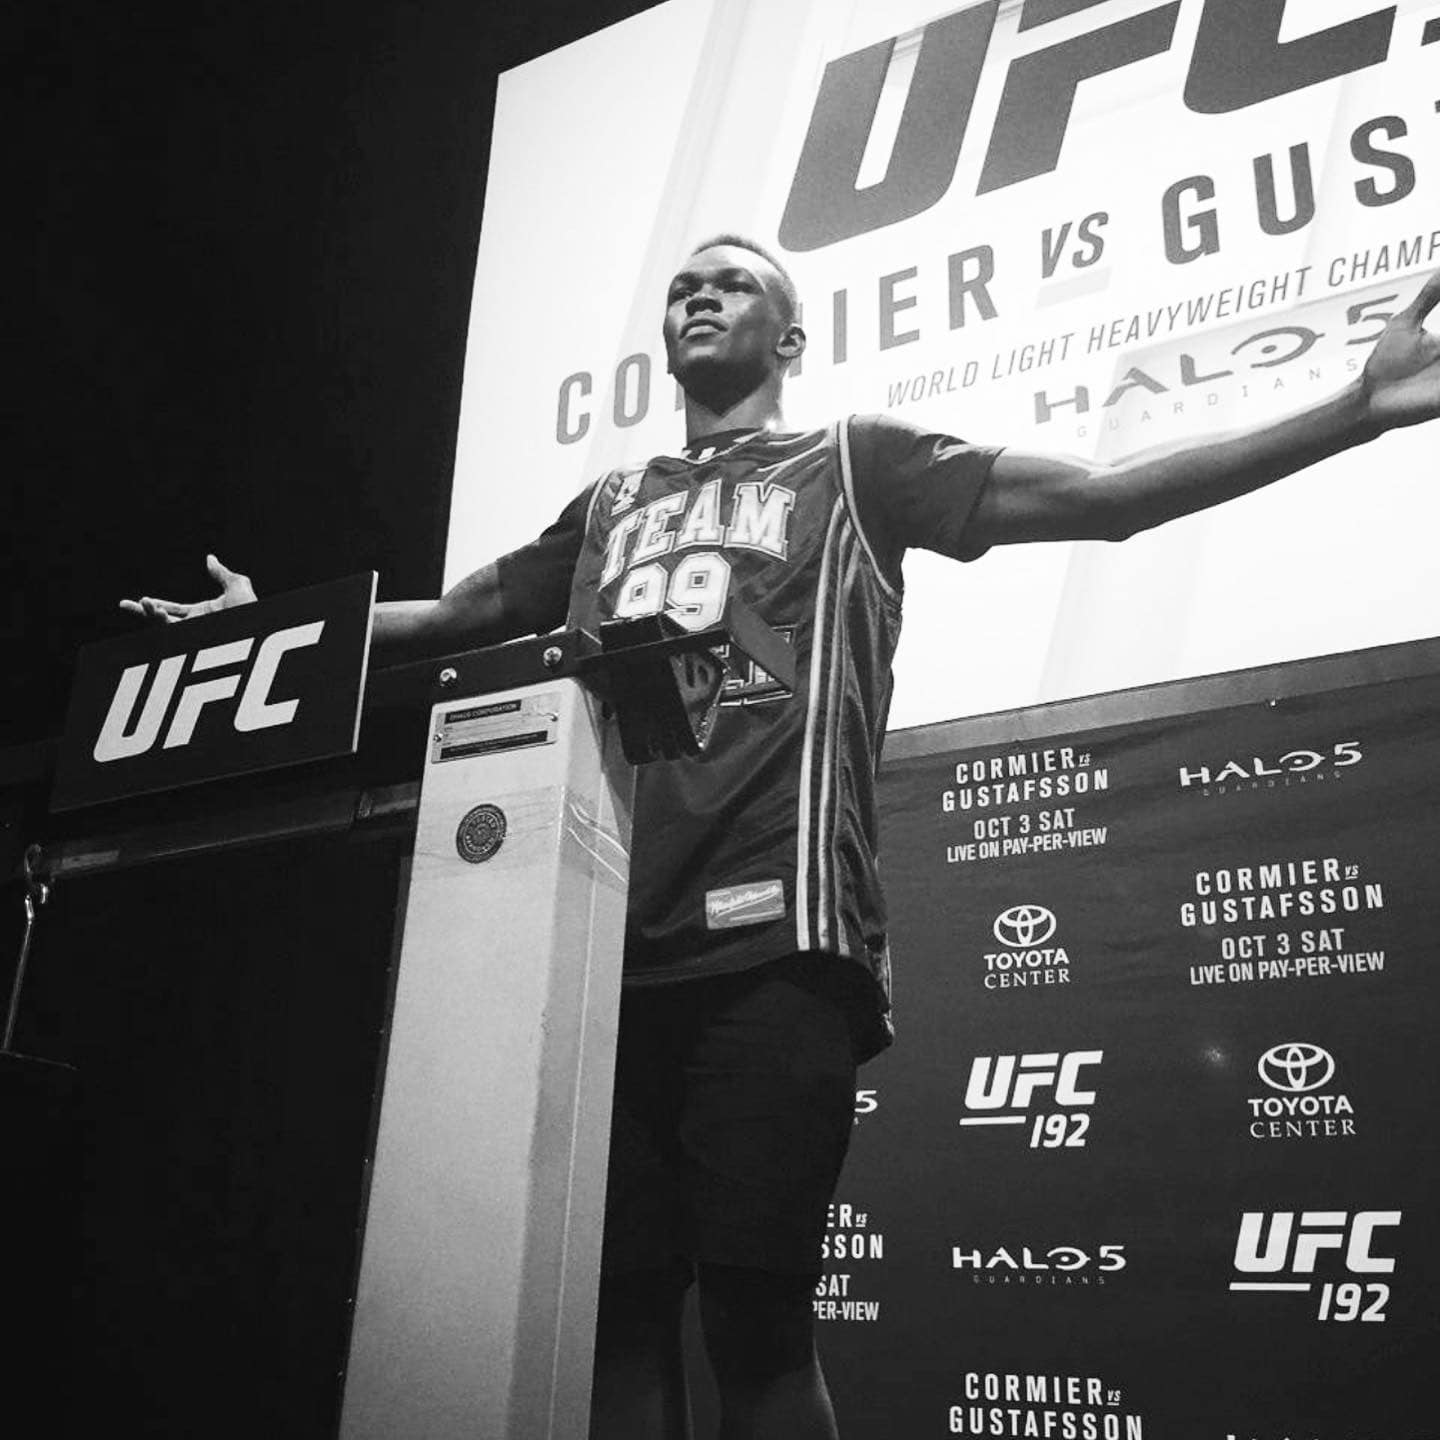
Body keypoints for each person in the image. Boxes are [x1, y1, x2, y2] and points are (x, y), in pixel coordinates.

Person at [124, 238, 1440, 1440]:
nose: (698, 296)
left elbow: (1106, 499)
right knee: (616, 1319)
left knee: (755, 1321)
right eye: (682, 288)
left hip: (776, 949)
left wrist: (1349, 409)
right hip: (597, 959)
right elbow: (462, 612)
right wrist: (274, 632)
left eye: (732, 283)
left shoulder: (855, 463)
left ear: (792, 336)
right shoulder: (613, 500)